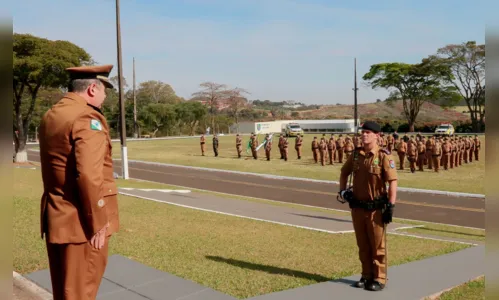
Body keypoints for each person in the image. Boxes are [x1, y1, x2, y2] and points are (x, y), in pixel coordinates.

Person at [38, 64, 119, 300]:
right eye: (105, 91)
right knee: (81, 293)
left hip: (58, 217)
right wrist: (98, 222)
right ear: (93, 89)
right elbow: (89, 176)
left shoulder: (53, 114)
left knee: (65, 292)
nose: (104, 98)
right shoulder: (86, 117)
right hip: (82, 224)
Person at [338, 121, 398, 292]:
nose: (364, 135)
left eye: (368, 132)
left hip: (376, 209)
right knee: (362, 244)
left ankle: (379, 278)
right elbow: (344, 172)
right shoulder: (356, 155)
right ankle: (366, 275)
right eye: (363, 132)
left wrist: (391, 206)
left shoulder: (384, 156)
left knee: (378, 246)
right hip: (357, 208)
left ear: (377, 135)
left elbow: (393, 182)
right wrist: (343, 192)